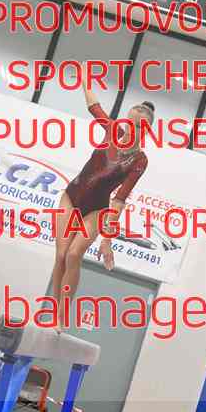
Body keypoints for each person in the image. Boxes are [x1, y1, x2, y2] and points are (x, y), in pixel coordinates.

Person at [51, 63, 154, 330]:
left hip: (97, 208)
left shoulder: (139, 160)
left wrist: (107, 240)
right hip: (72, 196)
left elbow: (119, 199)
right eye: (128, 122)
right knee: (61, 255)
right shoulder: (112, 130)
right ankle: (53, 313)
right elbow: (94, 107)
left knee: (74, 255)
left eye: (136, 125)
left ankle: (62, 316)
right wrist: (85, 79)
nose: (128, 128)